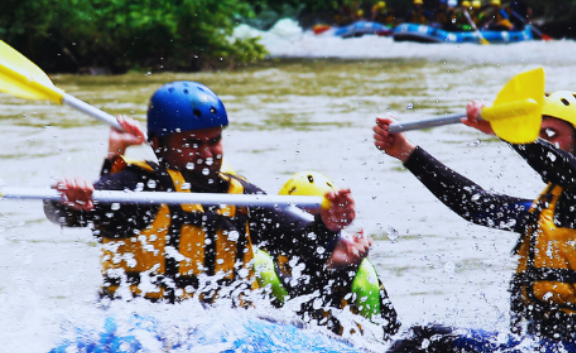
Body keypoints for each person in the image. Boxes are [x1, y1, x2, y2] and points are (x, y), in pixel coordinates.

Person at [373, 90, 576, 353]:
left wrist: (510, 131)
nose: (542, 140)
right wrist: (407, 152)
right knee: (435, 346)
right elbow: (477, 205)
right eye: (538, 134)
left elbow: (562, 167)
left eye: (550, 133)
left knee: (422, 342)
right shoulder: (550, 211)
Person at [45, 81, 369, 307]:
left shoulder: (240, 196)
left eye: (213, 141)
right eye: (192, 143)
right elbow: (69, 213)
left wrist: (328, 224)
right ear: (158, 144)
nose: (207, 152)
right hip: (140, 324)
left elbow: (303, 244)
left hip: (220, 334)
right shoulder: (138, 185)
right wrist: (66, 196)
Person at [253, 171, 400, 339]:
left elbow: (392, 338)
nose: (315, 233)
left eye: (320, 221)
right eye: (300, 222)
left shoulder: (359, 270)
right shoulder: (262, 263)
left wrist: (341, 271)